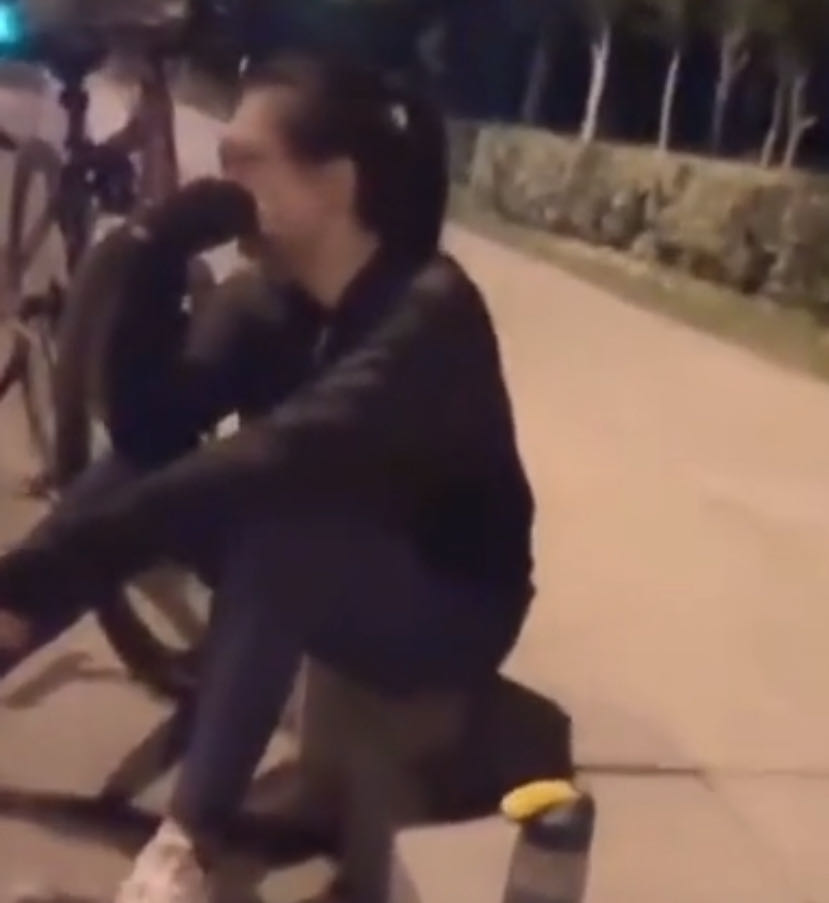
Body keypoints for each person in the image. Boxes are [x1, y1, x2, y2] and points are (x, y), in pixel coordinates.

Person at [0, 53, 535, 903]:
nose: (225, 182)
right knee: (142, 471)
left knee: (282, 523)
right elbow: (148, 428)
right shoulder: (268, 302)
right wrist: (153, 250)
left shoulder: (428, 317)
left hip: (445, 605)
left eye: (247, 162)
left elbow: (274, 461)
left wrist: (48, 565)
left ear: (335, 183)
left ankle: (185, 848)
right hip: (318, 560)